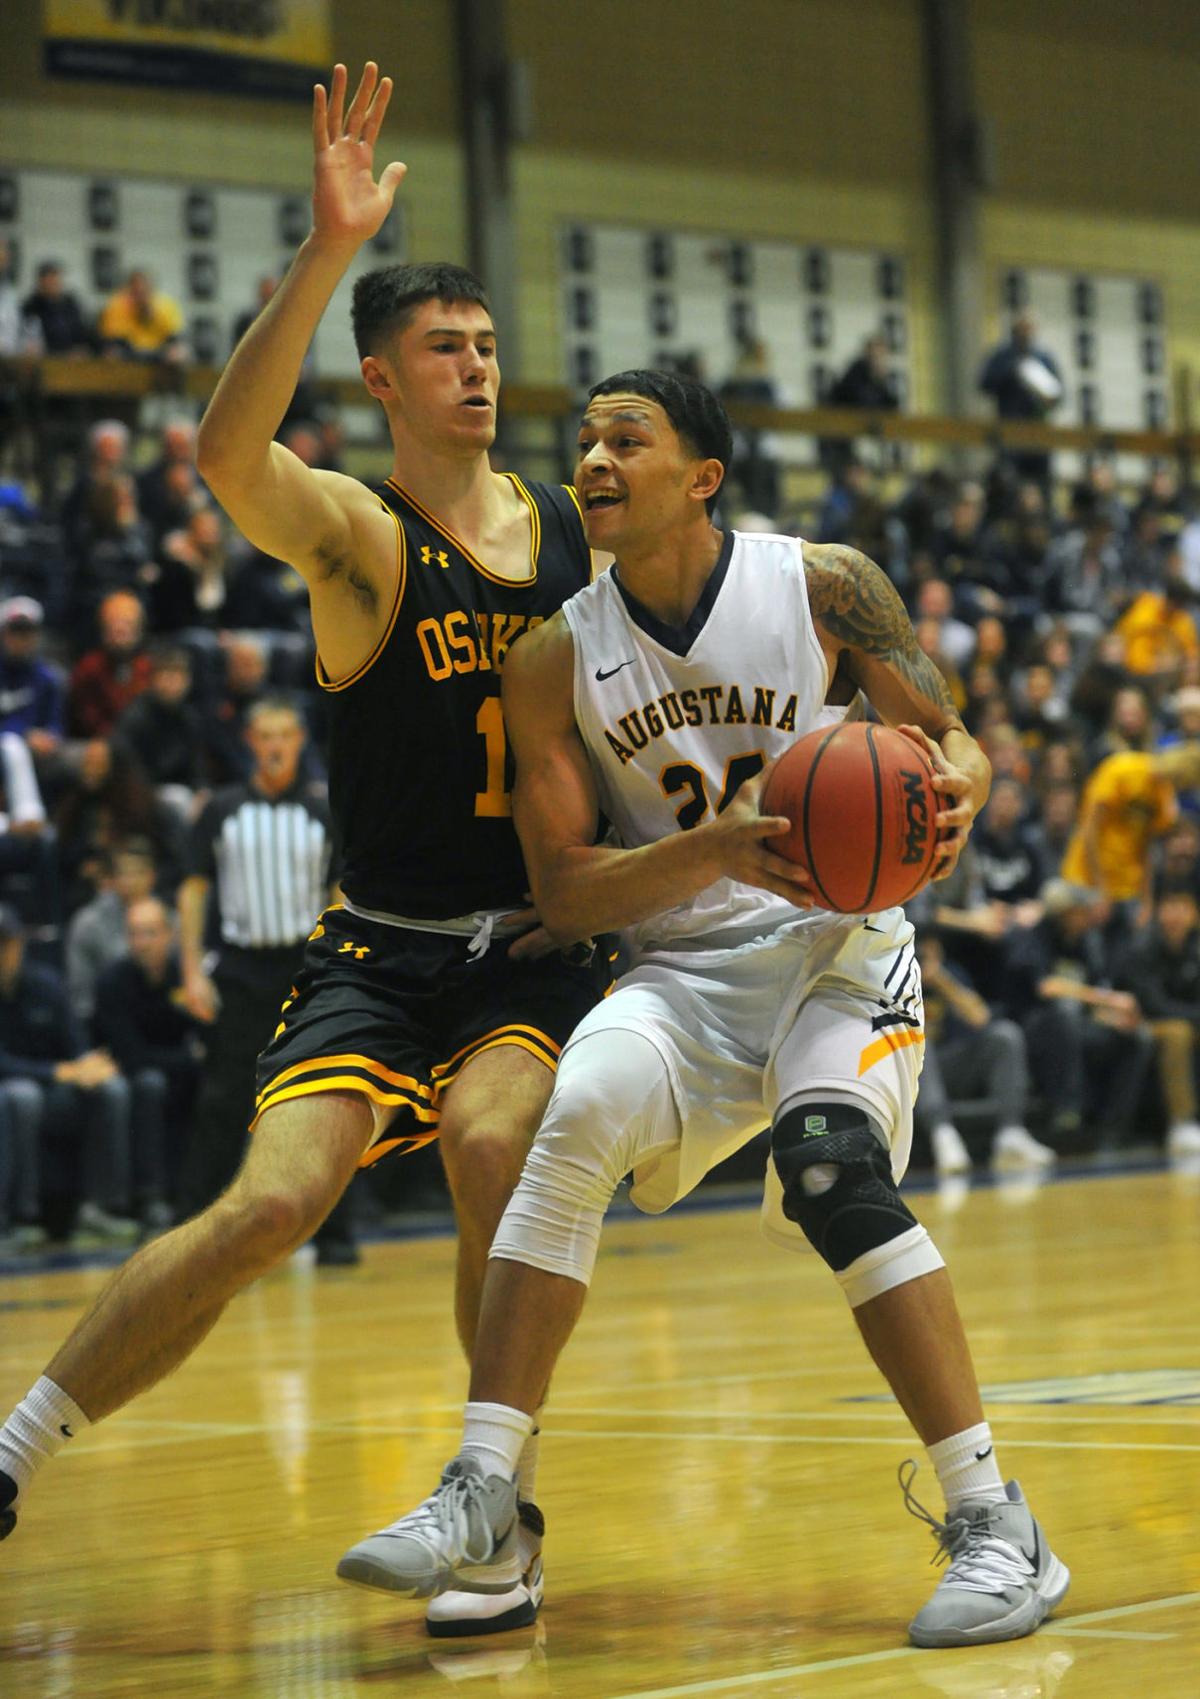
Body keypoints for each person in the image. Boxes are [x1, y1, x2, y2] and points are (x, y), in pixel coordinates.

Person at [0, 63, 606, 1642]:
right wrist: (330, 245)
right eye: (441, 352)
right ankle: (13, 1446)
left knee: (494, 1140)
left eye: (485, 347)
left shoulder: (577, 535)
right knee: (263, 1209)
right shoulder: (354, 530)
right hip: (378, 945)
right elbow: (219, 456)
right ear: (381, 381)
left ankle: (497, 1513)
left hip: (528, 948)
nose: (474, 370)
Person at [339, 370, 1068, 1650]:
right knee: (569, 1122)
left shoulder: (826, 585)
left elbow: (951, 740)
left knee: (836, 1168)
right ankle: (483, 1488)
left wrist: (955, 792)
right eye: (587, 442)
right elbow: (564, 893)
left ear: (703, 477)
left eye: (629, 440)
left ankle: (997, 1519)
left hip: (836, 950)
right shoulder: (556, 651)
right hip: (681, 967)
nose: (596, 462)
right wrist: (718, 856)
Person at [92, 895, 201, 1226]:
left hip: (175, 1069)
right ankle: (150, 1195)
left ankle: (204, 1187)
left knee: (215, 1082)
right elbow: (131, 1056)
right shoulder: (112, 981)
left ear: (169, 935)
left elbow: (209, 1034)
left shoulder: (186, 978)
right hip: (124, 1072)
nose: (142, 943)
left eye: (150, 933)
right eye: (135, 934)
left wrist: (194, 1062)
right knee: (150, 1084)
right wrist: (189, 1060)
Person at [914, 931, 1046, 1177]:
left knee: (1005, 1035)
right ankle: (942, 1134)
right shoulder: (895, 978)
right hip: (915, 1079)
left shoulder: (951, 973)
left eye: (933, 950)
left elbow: (980, 1018)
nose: (928, 958)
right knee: (922, 1044)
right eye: (922, 952)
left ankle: (1011, 1134)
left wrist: (942, 981)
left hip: (955, 1065)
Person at [98, 269, 185, 364]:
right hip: (128, 356)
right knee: (112, 355)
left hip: (161, 356)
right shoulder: (116, 306)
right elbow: (113, 343)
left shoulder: (166, 307)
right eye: (136, 292)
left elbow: (174, 340)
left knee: (179, 354)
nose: (141, 298)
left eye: (144, 291)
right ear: (128, 291)